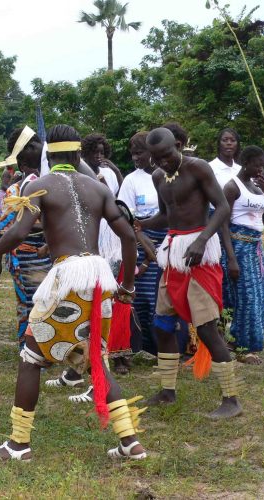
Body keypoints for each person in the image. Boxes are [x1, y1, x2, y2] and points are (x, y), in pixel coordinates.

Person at [0, 125, 145, 461]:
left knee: (30, 359)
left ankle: (18, 445)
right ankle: (130, 442)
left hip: (67, 277)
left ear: (48, 156)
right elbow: (129, 238)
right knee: (96, 359)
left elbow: (20, 231)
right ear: (78, 155)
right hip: (98, 279)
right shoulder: (97, 189)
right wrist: (126, 285)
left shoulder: (40, 186)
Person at [139, 127, 242, 420]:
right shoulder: (159, 177)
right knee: (162, 324)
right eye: (156, 159)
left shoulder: (198, 168)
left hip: (200, 253)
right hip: (173, 254)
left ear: (180, 146)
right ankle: (167, 391)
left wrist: (201, 240)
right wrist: (142, 224)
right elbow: (166, 215)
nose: (162, 163)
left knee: (207, 328)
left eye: (167, 156)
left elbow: (221, 207)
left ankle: (231, 399)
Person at [0, 127, 52, 350]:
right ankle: (28, 347)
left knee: (45, 302)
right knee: (30, 302)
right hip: (23, 257)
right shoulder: (15, 191)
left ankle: (41, 346)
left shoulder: (47, 183)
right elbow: (5, 227)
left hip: (46, 255)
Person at [221, 146, 264, 365]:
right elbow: (222, 223)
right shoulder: (232, 187)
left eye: (262, 165)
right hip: (238, 245)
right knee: (246, 296)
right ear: (245, 162)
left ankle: (251, 342)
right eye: (256, 164)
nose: (259, 169)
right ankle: (243, 347)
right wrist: (231, 257)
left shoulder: (258, 186)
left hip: (256, 247)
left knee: (262, 294)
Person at [117, 132, 161, 359]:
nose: (135, 157)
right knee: (143, 297)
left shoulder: (167, 175)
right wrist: (144, 253)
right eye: (133, 153)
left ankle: (165, 347)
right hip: (141, 240)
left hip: (168, 238)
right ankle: (142, 347)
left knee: (164, 296)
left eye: (140, 152)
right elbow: (126, 217)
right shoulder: (131, 180)